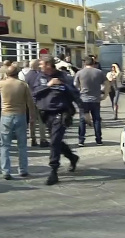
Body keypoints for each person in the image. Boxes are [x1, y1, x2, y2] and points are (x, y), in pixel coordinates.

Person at [32, 55, 82, 186]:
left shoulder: (64, 76)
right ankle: (72, 157)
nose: (40, 66)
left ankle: (53, 170)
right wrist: (48, 85)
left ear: (49, 64)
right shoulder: (40, 77)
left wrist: (85, 112)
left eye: (42, 64)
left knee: (54, 141)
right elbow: (35, 93)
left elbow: (75, 94)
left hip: (61, 113)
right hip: (46, 114)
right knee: (56, 140)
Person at [0, 66, 36, 180]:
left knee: (5, 145)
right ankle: (23, 170)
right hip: (20, 115)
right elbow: (30, 102)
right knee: (22, 145)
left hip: (6, 115)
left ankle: (6, 171)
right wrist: (32, 116)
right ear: (17, 74)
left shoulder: (2, 83)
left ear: (7, 74)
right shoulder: (23, 85)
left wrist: (2, 78)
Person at [74, 57, 109, 147]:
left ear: (85, 63)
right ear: (94, 63)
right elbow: (106, 83)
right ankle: (98, 140)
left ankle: (81, 140)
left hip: (83, 99)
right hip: (96, 99)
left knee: (82, 120)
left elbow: (75, 86)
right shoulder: (99, 72)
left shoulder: (80, 72)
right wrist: (104, 94)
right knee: (96, 120)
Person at [24, 59, 49, 148]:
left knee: (32, 121)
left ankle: (32, 139)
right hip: (39, 100)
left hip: (30, 100)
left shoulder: (27, 76)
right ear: (36, 65)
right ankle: (43, 139)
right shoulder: (40, 75)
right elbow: (43, 87)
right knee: (42, 121)